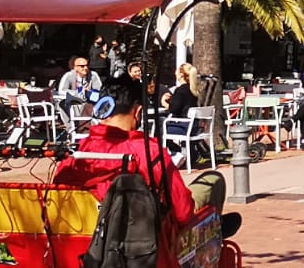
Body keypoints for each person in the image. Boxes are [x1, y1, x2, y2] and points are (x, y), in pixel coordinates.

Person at [54, 75, 224, 223]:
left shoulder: (77, 154)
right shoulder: (149, 151)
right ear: (138, 112)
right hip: (149, 245)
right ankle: (217, 229)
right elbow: (183, 212)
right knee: (213, 180)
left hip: (87, 242)